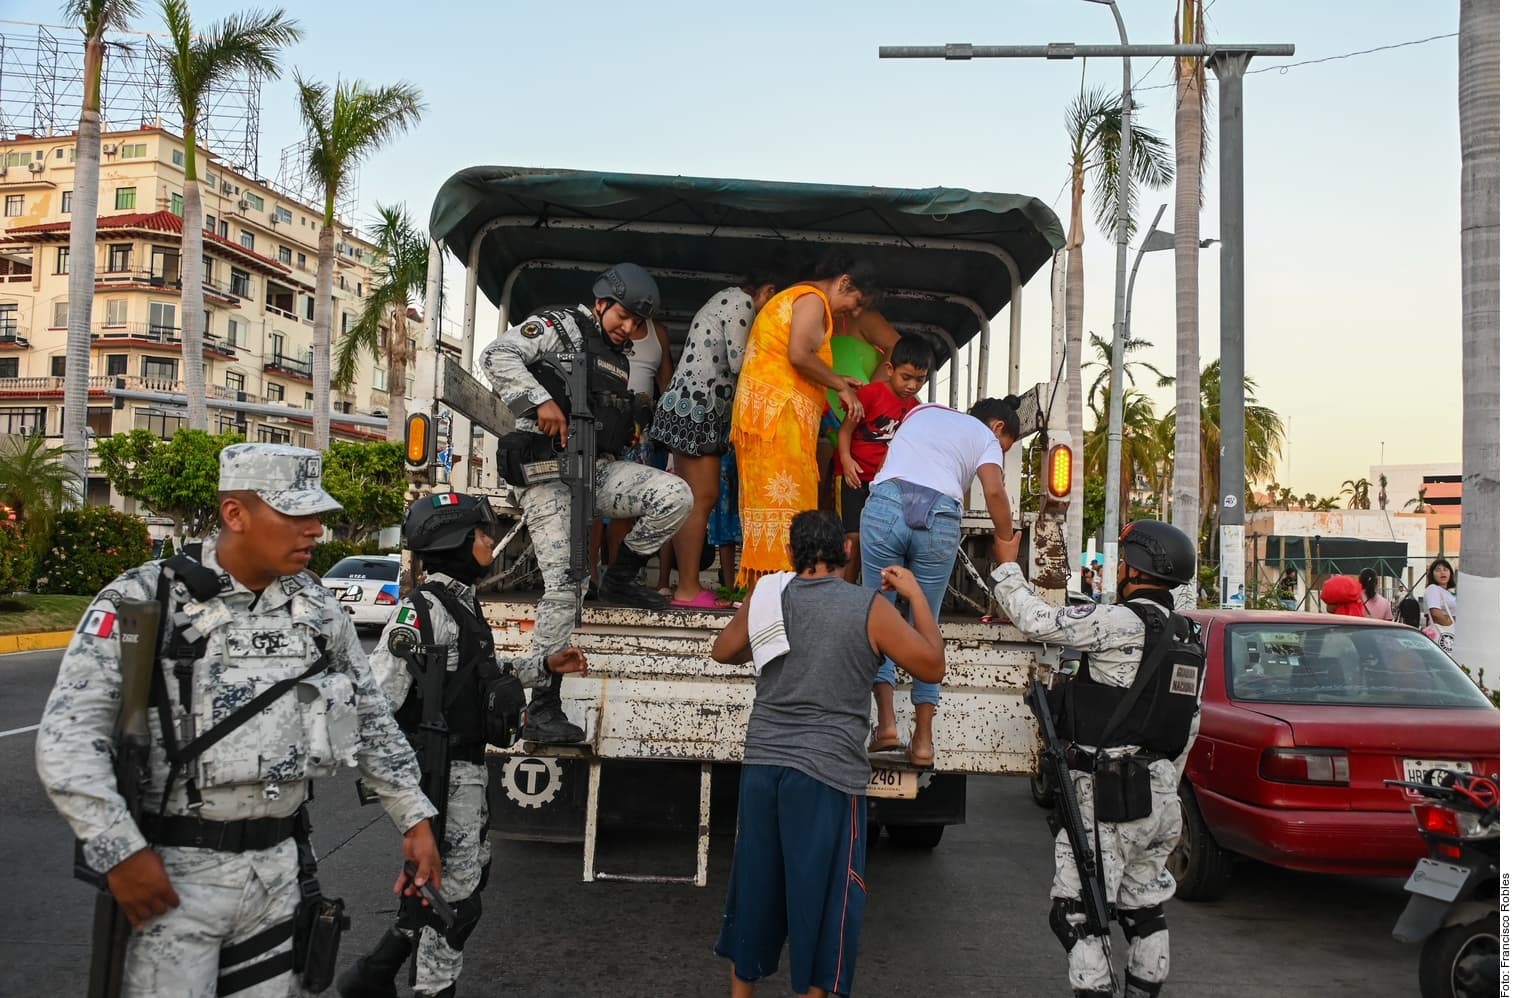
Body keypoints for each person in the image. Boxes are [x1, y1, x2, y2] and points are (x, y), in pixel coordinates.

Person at [35, 443, 442, 997]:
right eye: (295, 515)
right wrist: (119, 850)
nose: (315, 530)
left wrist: (414, 821)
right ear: (235, 514)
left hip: (279, 873)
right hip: (173, 875)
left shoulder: (318, 609)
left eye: (317, 515)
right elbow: (68, 741)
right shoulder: (144, 599)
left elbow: (370, 716)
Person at [339, 493, 589, 998]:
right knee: (454, 903)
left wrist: (543, 667)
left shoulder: (460, 603)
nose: (489, 542)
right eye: (479, 534)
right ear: (453, 541)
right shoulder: (421, 612)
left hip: (467, 773)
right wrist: (409, 801)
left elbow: (477, 675)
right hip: (443, 775)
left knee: (457, 883)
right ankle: (430, 988)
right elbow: (373, 708)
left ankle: (374, 973)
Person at [710, 511, 946, 998]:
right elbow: (932, 664)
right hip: (827, 775)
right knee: (825, 901)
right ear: (847, 551)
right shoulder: (870, 608)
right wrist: (917, 595)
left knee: (755, 887)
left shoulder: (768, 596)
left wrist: (763, 629)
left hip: (763, 766)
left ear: (791, 554)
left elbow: (723, 651)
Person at [990, 519, 1206, 998]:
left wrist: (1006, 567)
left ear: (1135, 570)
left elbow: (1038, 622)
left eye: (1124, 563)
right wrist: (1164, 784)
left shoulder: (1116, 623)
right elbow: (1188, 725)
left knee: (1076, 914)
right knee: (1144, 910)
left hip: (1109, 796)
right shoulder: (1190, 638)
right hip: (1160, 798)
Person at [481, 262, 694, 743]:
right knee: (568, 580)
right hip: (547, 473)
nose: (628, 327)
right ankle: (542, 705)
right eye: (623, 315)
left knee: (674, 494)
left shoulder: (618, 358)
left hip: (595, 470)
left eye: (637, 322)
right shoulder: (560, 326)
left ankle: (620, 578)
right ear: (600, 302)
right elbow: (496, 354)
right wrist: (539, 401)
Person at [863, 395, 1020, 767]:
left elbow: (891, 461)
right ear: (998, 427)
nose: (999, 454)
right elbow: (993, 490)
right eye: (1004, 448)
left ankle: (887, 723)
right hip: (939, 519)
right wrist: (1006, 540)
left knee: (877, 617)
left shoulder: (923, 410)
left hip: (886, 504)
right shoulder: (985, 436)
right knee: (926, 625)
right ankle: (923, 741)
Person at [730, 251, 877, 588]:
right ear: (844, 282)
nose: (855, 312)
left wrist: (834, 377)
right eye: (857, 302)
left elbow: (791, 359)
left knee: (779, 514)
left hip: (771, 422)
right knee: (787, 516)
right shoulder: (812, 299)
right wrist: (840, 385)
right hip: (778, 424)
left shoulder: (799, 297)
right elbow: (799, 354)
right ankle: (780, 593)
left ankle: (770, 593)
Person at [651, 274, 783, 608]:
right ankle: (688, 589)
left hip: (693, 408)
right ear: (767, 290)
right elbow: (741, 361)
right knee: (702, 497)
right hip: (697, 409)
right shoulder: (741, 302)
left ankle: (688, 586)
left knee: (694, 498)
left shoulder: (726, 299)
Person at [835, 334, 931, 582]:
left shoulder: (915, 408)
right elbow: (845, 431)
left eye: (920, 379)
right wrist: (846, 461)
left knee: (882, 537)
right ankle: (845, 591)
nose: (912, 386)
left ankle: (874, 593)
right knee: (853, 537)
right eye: (906, 377)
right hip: (853, 476)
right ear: (890, 369)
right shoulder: (870, 394)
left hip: (884, 484)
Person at [1424, 557, 1457, 653]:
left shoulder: (1448, 592)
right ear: (1432, 574)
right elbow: (1435, 614)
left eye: (1445, 569)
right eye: (1438, 570)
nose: (1442, 572)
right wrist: (1451, 624)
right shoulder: (1433, 588)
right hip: (1444, 633)